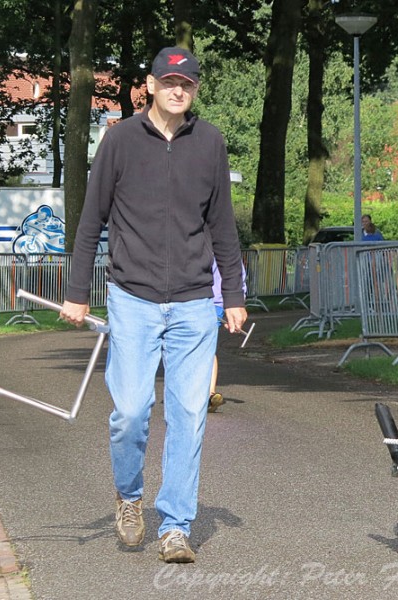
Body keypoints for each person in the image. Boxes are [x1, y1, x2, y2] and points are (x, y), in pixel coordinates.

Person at [59, 46, 247, 564]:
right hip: (133, 299)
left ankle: (175, 526)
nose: (177, 90)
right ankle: (129, 496)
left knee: (189, 414)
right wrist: (77, 292)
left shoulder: (209, 143)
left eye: (186, 84)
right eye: (168, 82)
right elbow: (90, 222)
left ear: (195, 89)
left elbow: (222, 226)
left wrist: (232, 294)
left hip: (193, 303)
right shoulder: (119, 140)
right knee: (131, 412)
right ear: (149, 85)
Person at [207, 258, 247, 413]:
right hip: (193, 301)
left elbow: (237, 272)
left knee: (207, 345)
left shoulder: (219, 243)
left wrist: (237, 303)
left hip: (215, 303)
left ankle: (210, 394)